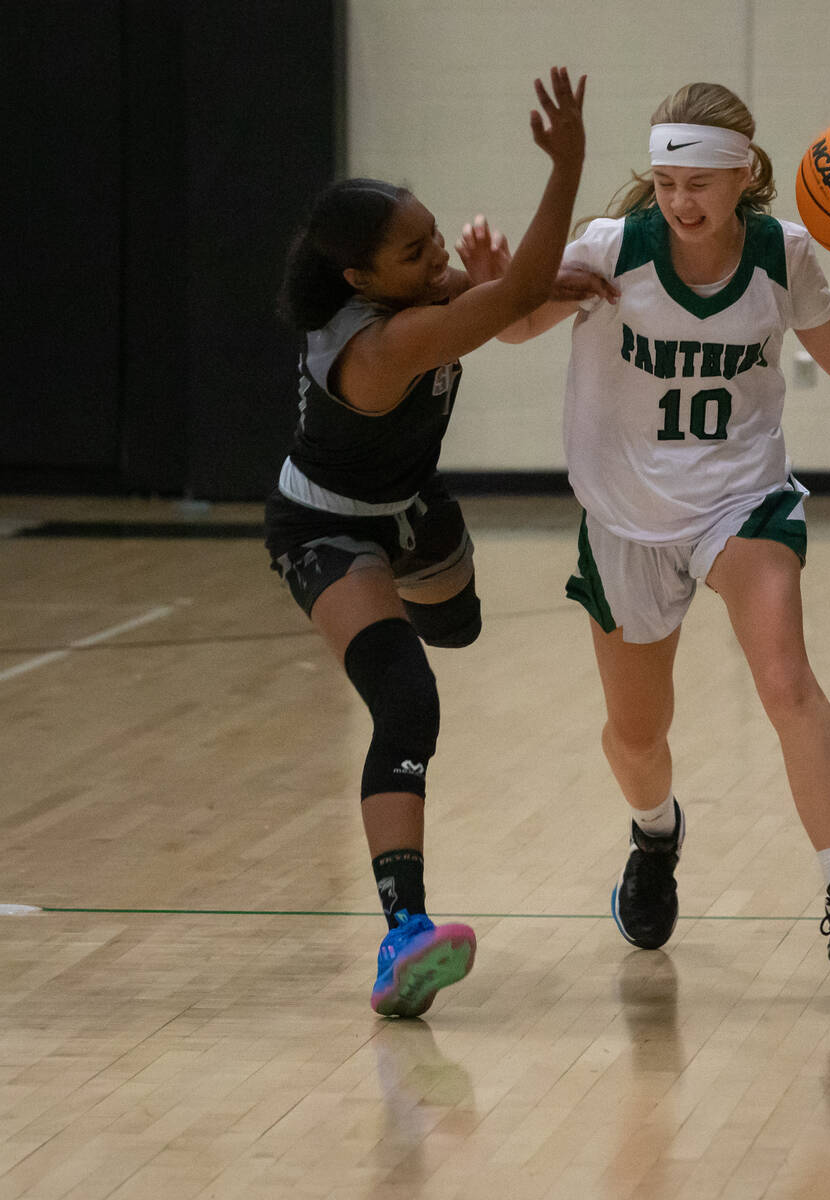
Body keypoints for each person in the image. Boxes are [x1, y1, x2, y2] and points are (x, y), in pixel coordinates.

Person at [459, 81, 830, 969]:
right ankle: (653, 834)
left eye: (700, 184)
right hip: (625, 518)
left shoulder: (782, 255)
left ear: (742, 176)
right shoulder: (610, 249)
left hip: (738, 500)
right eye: (668, 182)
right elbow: (518, 330)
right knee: (637, 736)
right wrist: (495, 286)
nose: (680, 200)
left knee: (785, 680)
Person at [264, 68, 587, 1016]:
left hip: (412, 507)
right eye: (415, 251)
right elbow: (518, 294)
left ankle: (392, 618)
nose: (434, 253)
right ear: (362, 279)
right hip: (326, 523)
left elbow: (517, 303)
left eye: (432, 232)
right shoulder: (377, 345)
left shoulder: (419, 288)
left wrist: (513, 284)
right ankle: (403, 935)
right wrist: (564, 168)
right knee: (408, 704)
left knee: (459, 629)